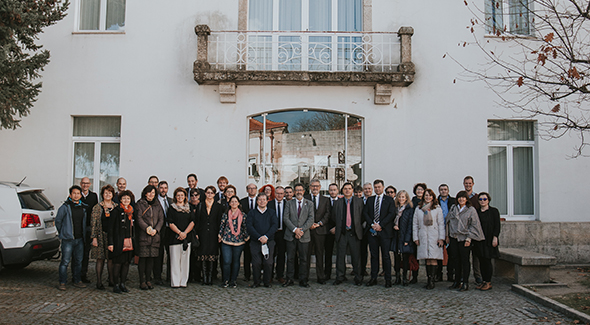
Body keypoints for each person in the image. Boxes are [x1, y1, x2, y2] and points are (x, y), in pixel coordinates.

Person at [446, 190, 485, 292]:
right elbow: (448, 221)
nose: (461, 199)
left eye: (463, 197)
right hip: (454, 237)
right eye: (459, 197)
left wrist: (469, 238)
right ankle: (457, 281)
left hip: (465, 238)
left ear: (466, 199)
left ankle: (465, 282)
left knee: (465, 260)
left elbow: (474, 225)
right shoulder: (454, 208)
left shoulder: (470, 210)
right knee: (456, 259)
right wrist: (448, 235)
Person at [55, 185, 88, 291]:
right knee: (65, 261)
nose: (76, 195)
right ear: (70, 195)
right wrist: (64, 232)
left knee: (78, 261)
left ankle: (77, 280)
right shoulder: (65, 207)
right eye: (74, 193)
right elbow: (58, 221)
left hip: (79, 239)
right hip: (68, 239)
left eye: (78, 193)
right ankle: (62, 282)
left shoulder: (83, 207)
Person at [364, 179, 395, 287]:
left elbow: (391, 214)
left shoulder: (389, 200)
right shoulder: (370, 199)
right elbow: (366, 213)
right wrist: (372, 224)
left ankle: (388, 279)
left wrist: (381, 225)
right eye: (375, 187)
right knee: (374, 256)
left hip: (385, 232)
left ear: (383, 187)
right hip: (372, 232)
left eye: (379, 187)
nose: (377, 189)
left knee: (386, 256)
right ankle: (373, 277)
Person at [332, 183, 364, 286]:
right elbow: (333, 216)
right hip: (342, 233)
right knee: (340, 257)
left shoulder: (359, 201)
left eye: (349, 189)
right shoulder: (338, 202)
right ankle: (340, 276)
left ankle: (358, 277)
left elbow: (362, 216)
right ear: (342, 190)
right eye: (345, 189)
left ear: (352, 190)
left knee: (356, 257)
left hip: (354, 233)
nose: (347, 190)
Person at [283, 183, 314, 288]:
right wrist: (295, 230)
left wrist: (301, 230)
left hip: (304, 236)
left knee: (304, 259)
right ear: (294, 192)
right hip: (290, 235)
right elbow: (285, 218)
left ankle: (303, 280)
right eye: (297, 190)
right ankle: (289, 279)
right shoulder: (289, 203)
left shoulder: (309, 204)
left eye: (301, 190)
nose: (299, 192)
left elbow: (311, 219)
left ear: (304, 191)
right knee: (290, 258)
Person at [413, 188, 445, 289]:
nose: (428, 197)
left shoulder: (437, 208)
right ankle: (428, 279)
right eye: (426, 195)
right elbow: (415, 224)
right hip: (423, 235)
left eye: (430, 196)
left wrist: (441, 238)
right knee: (427, 259)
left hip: (434, 235)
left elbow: (441, 224)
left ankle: (432, 280)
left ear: (433, 197)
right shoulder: (418, 208)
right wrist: (415, 237)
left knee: (433, 258)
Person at [135, 185, 165, 290]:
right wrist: (147, 228)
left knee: (151, 259)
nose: (151, 194)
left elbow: (161, 219)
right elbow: (138, 218)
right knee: (143, 259)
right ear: (145, 193)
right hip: (144, 235)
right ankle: (142, 281)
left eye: (153, 193)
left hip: (154, 236)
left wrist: (156, 230)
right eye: (149, 192)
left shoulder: (157, 204)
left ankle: (148, 280)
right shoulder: (140, 204)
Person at [246, 193, 278, 288]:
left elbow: (274, 225)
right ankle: (256, 282)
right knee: (256, 263)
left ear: (267, 201)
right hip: (255, 241)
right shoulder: (252, 213)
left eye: (264, 199)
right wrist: (259, 237)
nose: (262, 201)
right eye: (260, 200)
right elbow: (249, 226)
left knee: (268, 262)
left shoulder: (271, 212)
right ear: (257, 201)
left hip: (269, 241)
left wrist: (266, 236)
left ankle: (267, 282)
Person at [108, 190, 135, 294]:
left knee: (126, 263)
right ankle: (115, 284)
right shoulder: (116, 211)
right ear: (120, 200)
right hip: (118, 241)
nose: (126, 200)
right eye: (124, 198)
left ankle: (123, 283)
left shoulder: (131, 211)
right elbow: (110, 228)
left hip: (129, 240)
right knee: (117, 263)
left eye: (128, 199)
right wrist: (110, 243)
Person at [90, 184, 117, 290]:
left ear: (113, 194)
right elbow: (93, 223)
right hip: (100, 235)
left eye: (110, 193)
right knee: (100, 259)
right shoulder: (97, 207)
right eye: (106, 193)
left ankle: (111, 280)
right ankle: (99, 281)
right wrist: (94, 237)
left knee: (111, 259)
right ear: (102, 194)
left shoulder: (115, 207)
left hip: (112, 237)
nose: (108, 194)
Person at [218, 196, 249, 288]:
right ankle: (225, 280)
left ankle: (233, 280)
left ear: (238, 203)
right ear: (230, 203)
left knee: (236, 261)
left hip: (238, 241)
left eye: (236, 201)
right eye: (232, 202)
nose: (234, 203)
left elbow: (245, 227)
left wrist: (246, 237)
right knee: (227, 261)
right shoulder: (225, 214)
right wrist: (220, 235)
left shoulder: (243, 215)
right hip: (226, 240)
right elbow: (222, 225)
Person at [168, 187, 195, 288]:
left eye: (182, 195)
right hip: (174, 237)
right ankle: (175, 282)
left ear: (185, 196)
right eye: (178, 195)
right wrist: (179, 233)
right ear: (175, 196)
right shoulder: (172, 208)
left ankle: (183, 281)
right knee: (175, 261)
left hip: (186, 237)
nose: (180, 197)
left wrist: (185, 233)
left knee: (185, 261)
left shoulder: (189, 207)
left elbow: (192, 221)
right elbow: (170, 222)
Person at [305, 179, 331, 284]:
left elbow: (328, 214)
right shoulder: (305, 198)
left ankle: (320, 277)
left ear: (320, 187)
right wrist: (309, 224)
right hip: (307, 231)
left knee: (320, 255)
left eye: (317, 186)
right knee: (306, 255)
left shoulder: (326, 200)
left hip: (320, 230)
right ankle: (304, 277)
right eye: (313, 186)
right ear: (310, 187)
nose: (315, 188)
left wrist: (319, 223)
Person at [195, 186, 223, 285]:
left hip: (213, 233)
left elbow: (220, 221)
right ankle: (204, 277)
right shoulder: (200, 205)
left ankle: (210, 277)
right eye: (208, 193)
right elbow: (197, 220)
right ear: (205, 194)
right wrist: (196, 233)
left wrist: (220, 233)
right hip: (202, 233)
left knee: (212, 254)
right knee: (202, 254)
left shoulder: (218, 206)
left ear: (214, 194)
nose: (209, 194)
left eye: (211, 193)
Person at [473, 192, 501, 291]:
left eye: (484, 199)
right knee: (481, 260)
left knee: (487, 261)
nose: (482, 201)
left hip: (489, 239)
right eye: (480, 199)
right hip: (479, 240)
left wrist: (495, 237)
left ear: (488, 200)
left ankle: (488, 281)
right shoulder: (477, 212)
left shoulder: (494, 211)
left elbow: (497, 225)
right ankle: (484, 281)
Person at [393, 190, 415, 286]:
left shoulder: (409, 210)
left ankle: (405, 278)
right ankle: (397, 277)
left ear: (406, 198)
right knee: (396, 258)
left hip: (405, 236)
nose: (401, 199)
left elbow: (410, 225)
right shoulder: (394, 209)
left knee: (405, 259)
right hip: (395, 236)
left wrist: (407, 239)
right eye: (399, 197)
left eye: (403, 197)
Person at [463, 175, 482, 285]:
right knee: (465, 256)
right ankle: (464, 276)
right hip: (464, 231)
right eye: (466, 183)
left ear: (473, 184)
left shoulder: (477, 197)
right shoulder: (462, 197)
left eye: (470, 183)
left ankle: (477, 276)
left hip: (475, 230)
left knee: (476, 256)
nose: (468, 185)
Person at [79, 177, 98, 283]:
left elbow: (95, 212)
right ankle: (76, 274)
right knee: (77, 252)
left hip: (89, 227)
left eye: (87, 183)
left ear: (90, 184)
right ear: (81, 184)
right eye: (83, 183)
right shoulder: (77, 194)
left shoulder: (93, 196)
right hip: (78, 227)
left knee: (86, 252)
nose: (85, 185)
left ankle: (83, 274)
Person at [154, 181, 173, 285]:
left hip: (169, 230)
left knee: (170, 254)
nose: (163, 190)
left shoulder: (171, 201)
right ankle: (157, 277)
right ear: (158, 188)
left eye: (165, 188)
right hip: (159, 230)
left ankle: (170, 277)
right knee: (159, 254)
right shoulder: (155, 201)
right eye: (161, 188)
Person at [239, 183, 258, 281]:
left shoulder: (260, 201)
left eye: (253, 188)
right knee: (247, 254)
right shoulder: (242, 202)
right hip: (245, 232)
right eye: (249, 188)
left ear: (256, 190)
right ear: (247, 190)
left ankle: (257, 274)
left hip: (257, 231)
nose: (251, 190)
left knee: (256, 255)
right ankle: (247, 275)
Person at [438, 184, 456, 282]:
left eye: (445, 189)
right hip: (439, 230)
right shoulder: (436, 202)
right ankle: (438, 274)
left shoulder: (453, 201)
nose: (443, 191)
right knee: (438, 254)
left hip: (450, 230)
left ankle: (450, 274)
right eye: (441, 190)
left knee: (451, 254)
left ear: (448, 191)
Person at [269, 186, 287, 283]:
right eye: (277, 193)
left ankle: (280, 275)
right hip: (272, 233)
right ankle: (270, 275)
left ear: (284, 194)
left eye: (281, 193)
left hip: (283, 233)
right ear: (274, 194)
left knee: (281, 255)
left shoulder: (288, 204)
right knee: (271, 255)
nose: (279, 195)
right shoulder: (269, 204)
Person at [324, 183, 340, 281]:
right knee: (328, 253)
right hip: (328, 231)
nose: (332, 192)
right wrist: (330, 228)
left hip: (339, 230)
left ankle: (340, 274)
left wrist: (337, 227)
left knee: (340, 253)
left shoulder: (341, 201)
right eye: (331, 190)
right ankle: (327, 273)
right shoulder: (326, 201)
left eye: (334, 190)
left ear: (337, 191)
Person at [359, 182, 373, 278]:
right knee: (362, 251)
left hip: (372, 229)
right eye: (365, 189)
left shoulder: (374, 200)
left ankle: (373, 272)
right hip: (361, 229)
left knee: (373, 251)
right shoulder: (359, 200)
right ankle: (362, 270)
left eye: (369, 189)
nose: (367, 190)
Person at [188, 190, 202, 283]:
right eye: (192, 195)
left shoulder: (202, 205)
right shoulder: (188, 206)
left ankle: (197, 275)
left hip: (200, 232)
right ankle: (189, 275)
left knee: (198, 255)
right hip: (190, 232)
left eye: (196, 195)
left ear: (199, 196)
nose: (194, 197)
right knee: (190, 255)